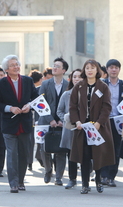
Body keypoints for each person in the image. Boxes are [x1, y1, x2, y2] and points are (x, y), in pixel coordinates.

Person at [0, 55, 38, 193]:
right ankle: (13, 183)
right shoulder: (0, 84)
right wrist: (10, 108)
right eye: (13, 65)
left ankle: (20, 181)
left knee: (24, 154)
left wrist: (29, 106)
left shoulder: (28, 80)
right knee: (12, 154)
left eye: (17, 64)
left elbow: (36, 99)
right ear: (7, 69)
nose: (16, 67)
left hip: (25, 123)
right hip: (9, 123)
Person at [69, 59, 115, 194]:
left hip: (98, 127)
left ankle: (99, 181)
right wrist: (77, 121)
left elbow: (107, 107)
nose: (90, 70)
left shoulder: (103, 87)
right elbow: (72, 107)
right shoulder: (79, 86)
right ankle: (85, 184)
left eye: (93, 68)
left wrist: (99, 123)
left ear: (97, 70)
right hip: (82, 128)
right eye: (87, 67)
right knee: (84, 156)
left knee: (98, 155)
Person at [38, 57, 69, 186]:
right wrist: (50, 119)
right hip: (45, 120)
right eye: (53, 65)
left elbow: (70, 105)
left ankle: (59, 177)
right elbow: (41, 103)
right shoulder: (45, 84)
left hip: (63, 121)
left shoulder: (68, 85)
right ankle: (48, 170)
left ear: (64, 70)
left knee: (61, 149)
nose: (54, 68)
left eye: (57, 66)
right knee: (44, 147)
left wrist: (62, 120)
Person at [100, 59, 123, 187]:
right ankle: (103, 175)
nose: (113, 70)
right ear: (107, 70)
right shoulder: (101, 84)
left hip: (119, 122)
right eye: (111, 67)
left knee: (116, 149)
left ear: (119, 70)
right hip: (103, 121)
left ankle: (111, 176)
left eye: (116, 67)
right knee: (103, 149)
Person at [57, 69, 82, 189]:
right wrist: (66, 120)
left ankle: (86, 179)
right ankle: (72, 179)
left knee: (85, 154)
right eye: (75, 77)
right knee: (71, 154)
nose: (77, 79)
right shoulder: (66, 94)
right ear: (71, 79)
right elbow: (59, 110)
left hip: (84, 128)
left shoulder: (88, 93)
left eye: (79, 76)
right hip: (70, 128)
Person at [28, 70, 44, 170]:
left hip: (33, 118)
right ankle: (32, 160)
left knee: (32, 141)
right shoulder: (36, 90)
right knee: (34, 141)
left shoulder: (33, 89)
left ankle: (30, 161)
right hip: (34, 119)